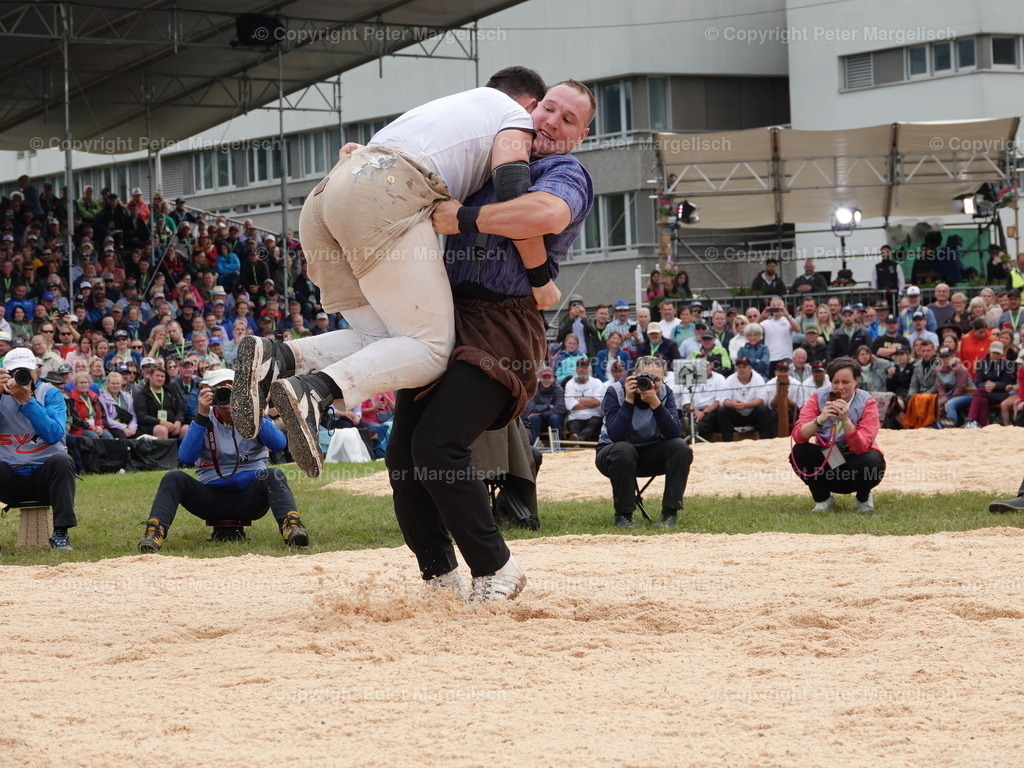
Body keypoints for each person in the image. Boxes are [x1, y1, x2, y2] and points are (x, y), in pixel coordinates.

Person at [231, 67, 553, 478]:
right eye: (543, 113)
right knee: (433, 348)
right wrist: (540, 277)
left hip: (326, 196)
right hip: (383, 192)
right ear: (529, 103)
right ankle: (316, 390)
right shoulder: (515, 115)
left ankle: (279, 357)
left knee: (383, 339)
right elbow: (511, 186)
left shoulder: (446, 108)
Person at [378, 80, 595, 603]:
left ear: (581, 136)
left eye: (568, 120)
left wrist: (465, 217)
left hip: (503, 325)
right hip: (442, 318)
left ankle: (498, 569)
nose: (551, 123)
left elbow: (541, 216)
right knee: (404, 459)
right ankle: (439, 576)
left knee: (438, 445)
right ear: (529, 108)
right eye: (548, 109)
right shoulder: (486, 162)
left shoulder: (566, 172)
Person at [137, 369, 309, 553]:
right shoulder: (204, 418)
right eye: (220, 390)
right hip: (210, 496)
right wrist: (201, 416)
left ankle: (291, 526)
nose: (226, 395)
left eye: (231, 389)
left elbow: (278, 444)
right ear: (210, 393)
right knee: (173, 478)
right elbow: (186, 457)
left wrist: (254, 413)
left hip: (249, 496)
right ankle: (155, 532)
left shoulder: (253, 415)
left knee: (275, 474)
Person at [595, 356, 691, 528]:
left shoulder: (664, 393)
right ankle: (623, 515)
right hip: (613, 455)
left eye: (657, 379)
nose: (650, 383)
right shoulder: (615, 391)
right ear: (633, 375)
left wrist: (655, 402)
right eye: (645, 377)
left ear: (663, 379)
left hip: (649, 453)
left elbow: (674, 433)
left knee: (680, 447)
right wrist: (629, 400)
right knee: (624, 450)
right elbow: (616, 435)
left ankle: (669, 513)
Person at [0, 347, 78, 551]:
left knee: (63, 460)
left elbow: (53, 435)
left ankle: (61, 534)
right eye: (14, 373)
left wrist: (27, 402)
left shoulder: (51, 393)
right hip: (9, 477)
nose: (20, 378)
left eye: (24, 372)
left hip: (47, 478)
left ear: (36, 370)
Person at [790, 356, 885, 512]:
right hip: (830, 455)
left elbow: (861, 447)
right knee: (800, 451)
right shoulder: (818, 397)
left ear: (856, 381)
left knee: (869, 460)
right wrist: (821, 418)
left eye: (846, 382)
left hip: (856, 457)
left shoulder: (867, 401)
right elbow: (799, 436)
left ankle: (863, 497)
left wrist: (846, 421)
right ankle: (823, 499)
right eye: (835, 382)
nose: (840, 387)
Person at [962, 341, 1015, 429]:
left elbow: (1007, 383)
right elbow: (978, 383)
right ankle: (982, 426)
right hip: (985, 392)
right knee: (983, 400)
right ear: (990, 351)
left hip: (1000, 394)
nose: (996, 355)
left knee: (979, 392)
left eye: (998, 354)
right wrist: (987, 385)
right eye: (994, 353)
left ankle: (971, 420)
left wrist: (995, 385)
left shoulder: (1007, 364)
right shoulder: (980, 363)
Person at [718, 357, 772, 441]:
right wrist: (733, 404)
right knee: (722, 411)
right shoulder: (730, 379)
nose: (741, 370)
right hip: (736, 413)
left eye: (744, 367)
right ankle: (727, 441)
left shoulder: (758, 379)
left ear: (750, 368)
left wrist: (746, 405)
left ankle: (764, 439)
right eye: (739, 367)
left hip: (752, 413)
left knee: (763, 409)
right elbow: (724, 400)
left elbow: (762, 399)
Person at [564, 358, 604, 442]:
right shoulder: (570, 384)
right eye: (580, 367)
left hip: (594, 415)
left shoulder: (597, 382)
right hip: (575, 417)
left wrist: (578, 398)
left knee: (595, 423)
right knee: (573, 426)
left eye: (585, 367)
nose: (583, 370)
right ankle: (577, 440)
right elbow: (570, 405)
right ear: (576, 370)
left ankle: (579, 440)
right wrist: (590, 402)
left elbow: (596, 402)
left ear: (589, 369)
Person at [524, 366, 567, 443]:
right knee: (533, 418)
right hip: (539, 420)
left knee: (554, 417)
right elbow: (531, 408)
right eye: (544, 377)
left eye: (549, 377)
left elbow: (560, 408)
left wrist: (541, 413)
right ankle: (534, 444)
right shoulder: (535, 388)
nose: (546, 380)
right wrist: (547, 406)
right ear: (540, 378)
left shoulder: (558, 389)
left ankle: (558, 443)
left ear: (553, 378)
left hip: (553, 419)